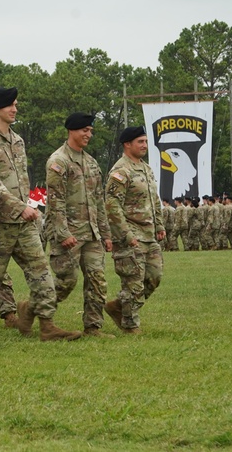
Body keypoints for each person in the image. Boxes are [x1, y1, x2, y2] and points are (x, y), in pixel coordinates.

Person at [0, 87, 81, 342]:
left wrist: (26, 207)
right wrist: (20, 207)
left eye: (16, 104)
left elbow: (20, 179)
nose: (14, 109)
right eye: (10, 105)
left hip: (24, 223)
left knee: (41, 273)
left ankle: (47, 325)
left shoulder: (18, 140)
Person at [44, 113, 114, 338]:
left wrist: (105, 233)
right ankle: (34, 308)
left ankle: (93, 327)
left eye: (90, 131)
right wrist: (62, 233)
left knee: (97, 279)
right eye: (85, 130)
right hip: (68, 232)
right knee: (67, 280)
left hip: (91, 233)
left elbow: (98, 201)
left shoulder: (91, 162)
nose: (89, 135)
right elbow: (55, 201)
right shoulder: (59, 161)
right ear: (72, 130)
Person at [104, 126, 165, 335]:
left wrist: (160, 225)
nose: (145, 146)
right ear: (127, 144)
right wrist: (126, 235)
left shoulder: (145, 168)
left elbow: (154, 199)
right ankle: (130, 326)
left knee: (154, 277)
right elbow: (112, 206)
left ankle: (117, 306)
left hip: (149, 234)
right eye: (140, 142)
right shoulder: (121, 171)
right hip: (130, 234)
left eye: (146, 142)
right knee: (133, 283)